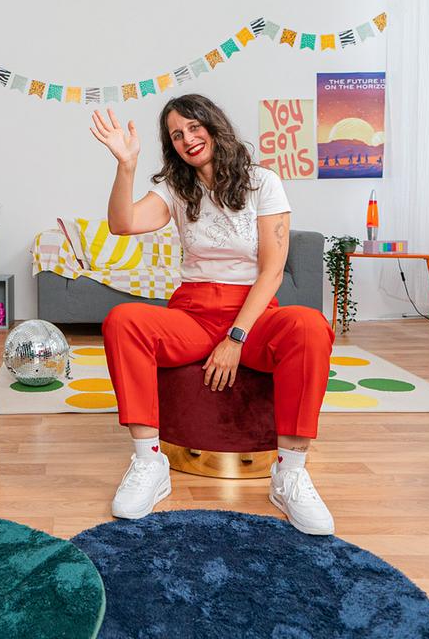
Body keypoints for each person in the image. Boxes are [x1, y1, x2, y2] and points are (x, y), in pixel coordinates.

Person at [90, 94, 336, 535]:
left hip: (254, 313)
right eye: (176, 135)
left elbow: (273, 270)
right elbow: (123, 223)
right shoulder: (174, 188)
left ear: (213, 125)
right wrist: (125, 165)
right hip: (193, 311)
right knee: (123, 320)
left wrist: (237, 337)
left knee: (310, 326)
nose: (187, 139)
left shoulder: (263, 182)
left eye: (193, 127)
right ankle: (149, 464)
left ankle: (291, 473)